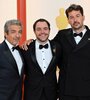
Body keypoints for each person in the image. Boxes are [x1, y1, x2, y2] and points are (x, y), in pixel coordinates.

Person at [53, 4, 90, 100]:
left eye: (78, 16)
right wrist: (32, 41)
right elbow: (48, 46)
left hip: (86, 88)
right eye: (71, 17)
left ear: (83, 17)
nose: (75, 20)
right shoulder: (62, 34)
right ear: (68, 20)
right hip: (66, 88)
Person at [21, 18, 61, 100]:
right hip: (31, 94)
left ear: (49, 30)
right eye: (38, 29)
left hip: (51, 93)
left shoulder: (58, 47)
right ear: (34, 31)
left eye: (45, 29)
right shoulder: (26, 48)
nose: (42, 32)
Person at [0, 19, 24, 100]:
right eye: (13, 32)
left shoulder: (21, 51)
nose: (17, 35)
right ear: (5, 34)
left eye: (20, 32)